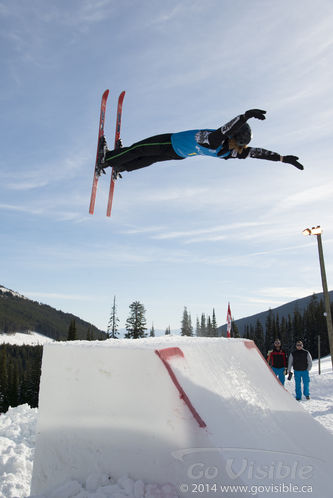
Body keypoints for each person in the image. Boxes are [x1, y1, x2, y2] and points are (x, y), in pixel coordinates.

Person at [97, 109, 304, 177]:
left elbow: (226, 128)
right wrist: (282, 158)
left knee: (139, 149)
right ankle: (122, 165)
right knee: (147, 159)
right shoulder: (232, 153)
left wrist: (245, 116)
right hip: (178, 155)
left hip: (170, 143)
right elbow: (258, 153)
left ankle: (108, 159)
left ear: (232, 136)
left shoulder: (215, 141)